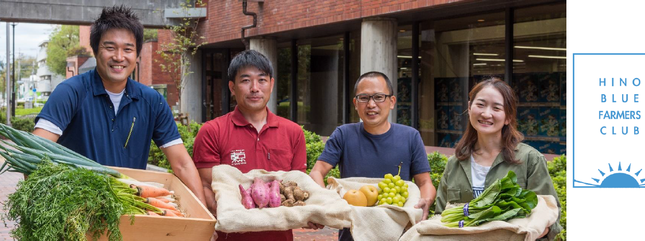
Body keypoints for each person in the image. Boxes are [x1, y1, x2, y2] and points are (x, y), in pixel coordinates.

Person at [32, 6, 206, 206]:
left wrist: (205, 218)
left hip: (130, 210)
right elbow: (37, 152)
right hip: (77, 211)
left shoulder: (152, 101)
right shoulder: (70, 92)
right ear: (96, 50)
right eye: (110, 47)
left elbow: (182, 164)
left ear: (137, 55)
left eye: (128, 49)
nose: (119, 57)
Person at [192, 50, 308, 241]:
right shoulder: (212, 131)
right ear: (232, 87)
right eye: (245, 80)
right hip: (229, 235)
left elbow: (297, 187)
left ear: (271, 84)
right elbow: (205, 186)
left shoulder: (293, 132)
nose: (255, 88)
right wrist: (243, 217)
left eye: (262, 80)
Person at [309, 71, 436, 241]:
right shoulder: (343, 134)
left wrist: (426, 201)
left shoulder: (410, 136)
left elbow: (425, 182)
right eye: (364, 98)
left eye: (378, 97)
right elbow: (317, 172)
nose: (371, 104)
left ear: (392, 102)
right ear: (355, 103)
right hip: (353, 234)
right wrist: (326, 203)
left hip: (399, 234)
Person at [434, 77, 562, 240]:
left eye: (496, 108)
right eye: (480, 104)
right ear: (469, 107)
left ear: (508, 117)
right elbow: (440, 216)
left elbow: (551, 215)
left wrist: (519, 233)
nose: (486, 114)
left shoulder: (530, 159)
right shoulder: (455, 163)